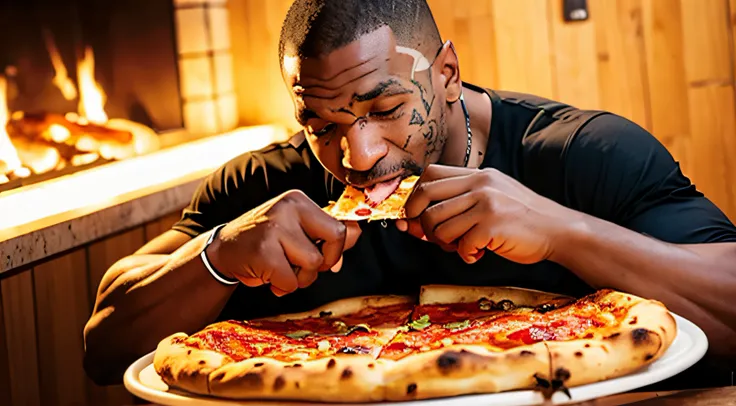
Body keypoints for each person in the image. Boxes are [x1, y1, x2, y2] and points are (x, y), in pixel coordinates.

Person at [83, 0, 736, 388]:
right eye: (323, 125)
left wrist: (564, 230)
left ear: (446, 73)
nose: (357, 156)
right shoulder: (267, 184)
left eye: (385, 108)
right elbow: (103, 347)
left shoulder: (581, 154)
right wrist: (219, 255)